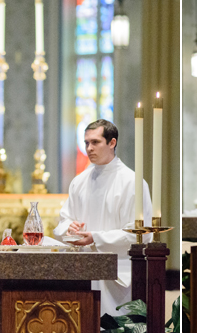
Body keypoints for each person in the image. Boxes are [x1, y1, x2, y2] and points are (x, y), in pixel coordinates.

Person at [53, 119, 151, 316]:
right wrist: (69, 229)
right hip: (81, 273)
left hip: (117, 275)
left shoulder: (132, 183)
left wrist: (95, 238)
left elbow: (141, 235)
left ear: (112, 143)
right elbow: (62, 223)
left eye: (95, 142)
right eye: (86, 142)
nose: (89, 148)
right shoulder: (79, 182)